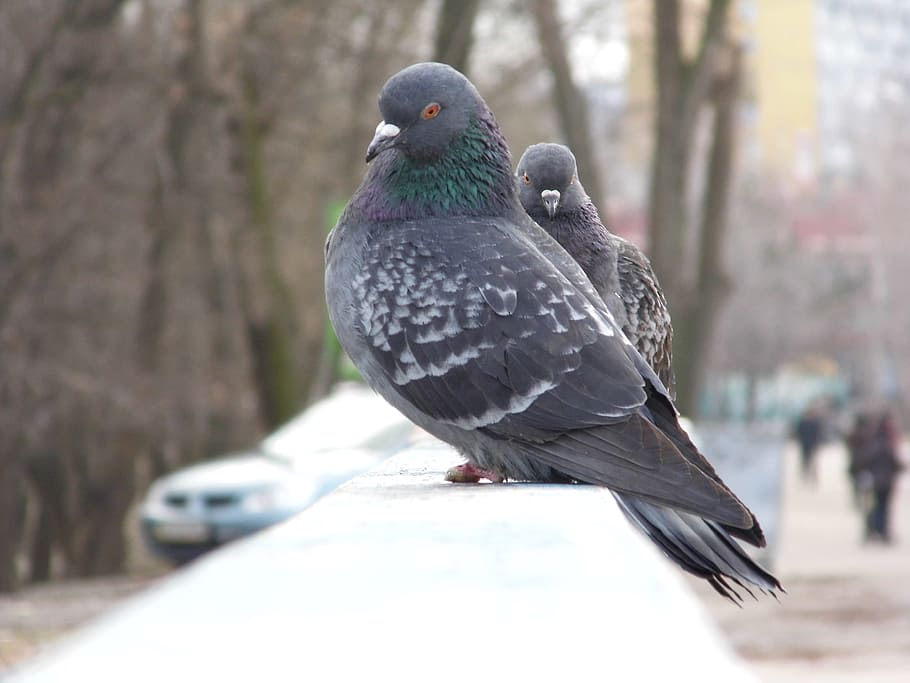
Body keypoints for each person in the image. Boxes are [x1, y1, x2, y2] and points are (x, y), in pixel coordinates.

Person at [864, 410, 904, 543]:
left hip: (877, 481)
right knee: (884, 508)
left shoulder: (873, 444)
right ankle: (882, 531)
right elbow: (895, 463)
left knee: (879, 506)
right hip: (886, 481)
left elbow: (868, 462)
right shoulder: (887, 446)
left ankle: (877, 530)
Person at [794, 404, 825, 484]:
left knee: (813, 462)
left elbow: (818, 434)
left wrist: (818, 444)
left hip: (812, 445)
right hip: (805, 445)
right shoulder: (802, 423)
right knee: (805, 462)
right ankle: (805, 477)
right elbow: (798, 433)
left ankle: (814, 478)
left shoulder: (815, 423)